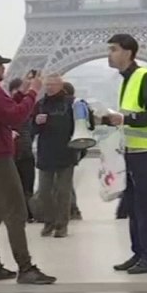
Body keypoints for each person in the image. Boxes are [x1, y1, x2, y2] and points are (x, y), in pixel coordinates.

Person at [0, 50, 55, 285]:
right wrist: (34, 92)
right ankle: (25, 268)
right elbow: (15, 117)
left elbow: (1, 113)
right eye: (0, 65)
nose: (4, 69)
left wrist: (22, 93)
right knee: (15, 212)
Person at [101, 33, 147, 275]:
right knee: (134, 205)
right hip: (131, 150)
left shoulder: (144, 77)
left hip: (145, 151)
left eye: (114, 49)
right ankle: (139, 252)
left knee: (144, 205)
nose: (110, 54)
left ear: (128, 52)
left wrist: (125, 118)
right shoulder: (127, 79)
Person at [30, 75, 88, 238]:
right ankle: (49, 222)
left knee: (63, 192)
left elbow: (83, 124)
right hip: (46, 153)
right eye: (47, 84)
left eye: (52, 84)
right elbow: (31, 129)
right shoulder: (40, 105)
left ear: (60, 85)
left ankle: (61, 225)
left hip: (65, 152)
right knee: (44, 191)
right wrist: (36, 122)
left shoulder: (72, 103)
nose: (49, 87)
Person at [9, 77, 37, 223]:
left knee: (26, 185)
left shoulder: (29, 109)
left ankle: (27, 212)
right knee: (16, 187)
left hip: (25, 151)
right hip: (13, 153)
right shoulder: (9, 108)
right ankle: (21, 213)